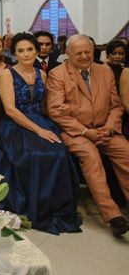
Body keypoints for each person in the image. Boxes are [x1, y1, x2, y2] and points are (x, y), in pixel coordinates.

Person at [0, 32, 81, 235]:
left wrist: (62, 111)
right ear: (14, 53)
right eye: (21, 51)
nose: (26, 54)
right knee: (35, 155)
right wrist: (39, 130)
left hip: (40, 121)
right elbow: (10, 110)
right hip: (15, 126)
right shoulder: (7, 74)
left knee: (59, 153)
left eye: (29, 49)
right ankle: (34, 207)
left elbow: (45, 107)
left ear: (37, 50)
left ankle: (54, 207)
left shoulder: (42, 74)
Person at [47, 34, 129, 237]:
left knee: (126, 152)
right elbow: (56, 110)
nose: (84, 56)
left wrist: (109, 128)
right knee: (91, 158)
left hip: (105, 130)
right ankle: (113, 216)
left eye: (88, 52)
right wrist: (86, 132)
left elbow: (116, 106)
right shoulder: (58, 74)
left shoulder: (105, 70)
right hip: (77, 133)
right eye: (79, 53)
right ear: (68, 54)